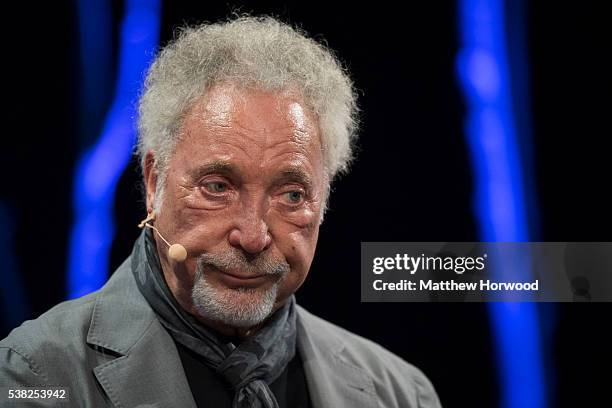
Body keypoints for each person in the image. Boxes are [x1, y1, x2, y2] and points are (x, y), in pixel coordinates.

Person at [0, 16, 441, 408]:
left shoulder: (401, 392)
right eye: (218, 187)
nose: (252, 237)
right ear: (154, 183)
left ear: (323, 199)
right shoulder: (34, 376)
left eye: (291, 195)